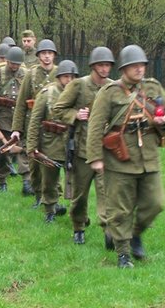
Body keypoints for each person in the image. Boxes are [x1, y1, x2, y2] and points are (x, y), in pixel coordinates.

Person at [87, 45, 165, 269]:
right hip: (120, 159)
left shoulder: (153, 87)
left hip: (149, 157)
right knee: (120, 209)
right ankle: (123, 253)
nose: (139, 69)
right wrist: (95, 157)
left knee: (156, 203)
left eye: (142, 65)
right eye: (134, 66)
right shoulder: (110, 92)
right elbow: (95, 126)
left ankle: (135, 233)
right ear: (124, 69)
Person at [53, 46, 115, 247]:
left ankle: (108, 229)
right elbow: (58, 109)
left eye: (108, 65)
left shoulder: (114, 87)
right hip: (82, 150)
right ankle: (78, 226)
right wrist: (75, 115)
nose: (105, 69)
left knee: (107, 192)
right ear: (93, 66)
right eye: (101, 65)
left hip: (106, 150)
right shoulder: (79, 85)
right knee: (80, 195)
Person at [27, 60, 79, 222]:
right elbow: (35, 121)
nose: (68, 80)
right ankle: (50, 209)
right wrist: (32, 146)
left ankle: (77, 213)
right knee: (49, 180)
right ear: (59, 77)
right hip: (51, 143)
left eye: (72, 77)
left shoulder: (80, 94)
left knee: (78, 181)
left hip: (73, 143)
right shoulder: (47, 93)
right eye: (65, 77)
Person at [11, 39, 62, 208]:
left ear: (54, 55)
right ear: (39, 55)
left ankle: (54, 199)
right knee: (34, 162)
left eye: (50, 53)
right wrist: (17, 129)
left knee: (53, 162)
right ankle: (39, 195)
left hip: (54, 126)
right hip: (33, 124)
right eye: (43, 53)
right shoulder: (31, 74)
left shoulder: (60, 73)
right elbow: (20, 103)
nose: (47, 57)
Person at [0, 46, 31, 193]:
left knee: (24, 151)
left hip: (20, 119)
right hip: (2, 119)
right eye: (12, 63)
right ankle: (2, 181)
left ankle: (27, 182)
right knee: (1, 153)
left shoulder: (27, 75)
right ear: (7, 61)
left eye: (17, 63)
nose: (14, 66)